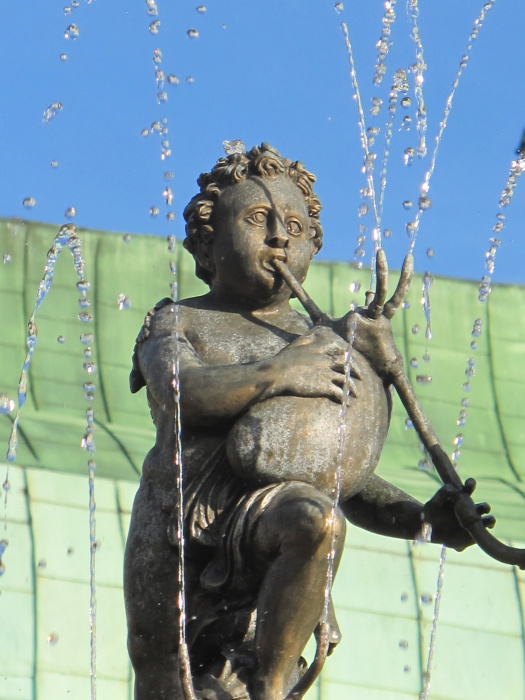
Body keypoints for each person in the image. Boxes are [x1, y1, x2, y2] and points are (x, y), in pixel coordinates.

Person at [124, 143, 493, 700]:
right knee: (166, 683)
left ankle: (270, 686)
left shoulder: (318, 342)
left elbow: (336, 472)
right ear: (206, 243)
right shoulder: (179, 319)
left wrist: (422, 519)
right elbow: (181, 393)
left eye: (295, 227)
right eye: (258, 220)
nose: (280, 237)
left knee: (316, 519)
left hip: (270, 528)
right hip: (180, 525)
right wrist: (278, 372)